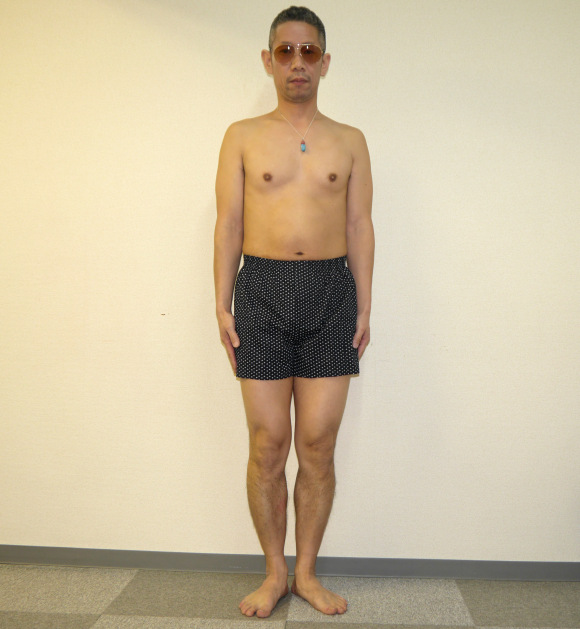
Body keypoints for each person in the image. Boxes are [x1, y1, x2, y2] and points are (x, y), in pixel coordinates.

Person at [214, 5, 374, 619]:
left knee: (317, 443)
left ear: (325, 62)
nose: (297, 62)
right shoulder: (242, 135)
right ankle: (274, 572)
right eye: (286, 51)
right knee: (267, 443)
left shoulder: (350, 140)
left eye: (309, 52)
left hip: (332, 292)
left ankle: (305, 573)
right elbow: (229, 223)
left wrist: (364, 303)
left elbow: (359, 226)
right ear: (268, 60)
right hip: (260, 291)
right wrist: (221, 302)